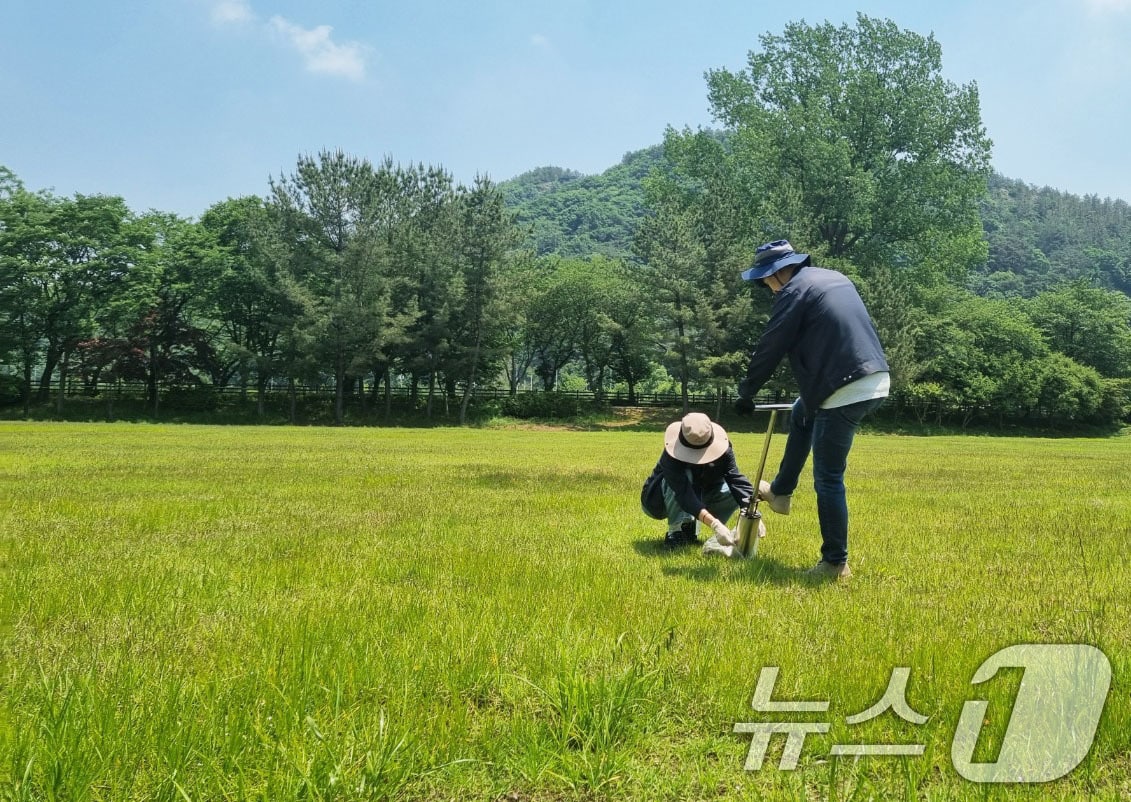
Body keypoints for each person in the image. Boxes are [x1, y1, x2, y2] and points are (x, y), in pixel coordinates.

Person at [734, 240, 889, 580]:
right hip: (873, 376)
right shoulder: (832, 278)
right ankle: (780, 492)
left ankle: (835, 563)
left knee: (828, 478)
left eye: (763, 282)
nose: (766, 288)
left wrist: (746, 392)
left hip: (845, 387)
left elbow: (771, 345)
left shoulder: (794, 291)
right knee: (801, 413)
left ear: (776, 274)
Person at [640, 412, 755, 548]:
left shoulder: (725, 450)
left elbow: (735, 480)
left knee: (731, 489)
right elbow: (683, 493)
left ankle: (689, 529)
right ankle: (675, 532)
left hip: (699, 495)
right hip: (658, 503)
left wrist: (751, 511)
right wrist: (714, 524)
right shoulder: (670, 456)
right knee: (685, 475)